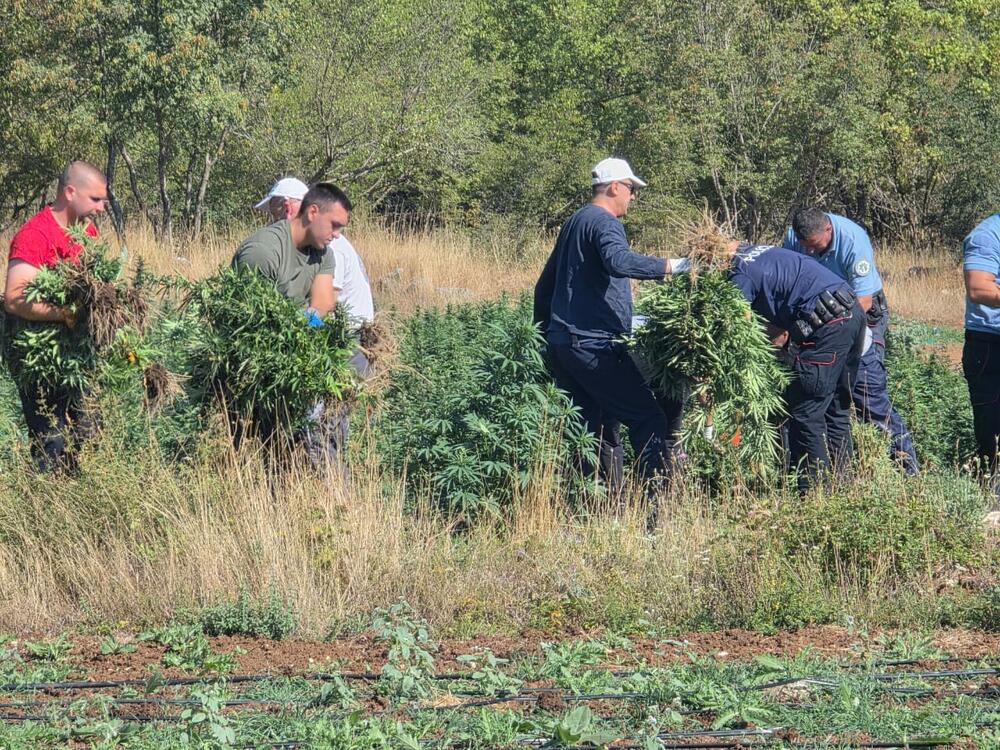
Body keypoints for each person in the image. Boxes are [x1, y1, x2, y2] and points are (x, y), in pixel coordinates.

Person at [533, 157, 690, 497]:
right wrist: (675, 266)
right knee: (649, 418)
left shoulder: (574, 222)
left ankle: (604, 507)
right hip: (594, 345)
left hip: (567, 344)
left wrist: (545, 338)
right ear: (614, 187)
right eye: (631, 189)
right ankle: (656, 507)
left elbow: (544, 286)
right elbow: (619, 262)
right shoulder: (604, 223)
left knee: (598, 426)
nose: (632, 197)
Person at [783, 208, 919, 475]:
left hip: (859, 315)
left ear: (828, 231)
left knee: (867, 392)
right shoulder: (794, 237)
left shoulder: (853, 240)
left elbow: (864, 301)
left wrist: (828, 336)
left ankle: (908, 474)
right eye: (803, 246)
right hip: (814, 317)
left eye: (814, 246)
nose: (808, 252)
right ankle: (829, 473)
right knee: (815, 393)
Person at [727, 243, 866, 493]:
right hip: (852, 312)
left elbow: (740, 327)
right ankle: (844, 489)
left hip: (827, 324)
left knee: (806, 412)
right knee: (836, 407)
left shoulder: (738, 274)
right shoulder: (756, 250)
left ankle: (815, 493)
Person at [4, 161, 108, 471]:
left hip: (78, 355)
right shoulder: (35, 234)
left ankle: (77, 501)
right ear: (70, 191)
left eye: (103, 200)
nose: (102, 208)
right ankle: (44, 507)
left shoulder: (86, 232)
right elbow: (14, 298)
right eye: (95, 199)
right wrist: (63, 314)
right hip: (38, 357)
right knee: (50, 441)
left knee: (90, 430)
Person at [961, 212, 1000, 485]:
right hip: (990, 343)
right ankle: (992, 490)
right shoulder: (987, 235)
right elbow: (978, 288)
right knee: (992, 425)